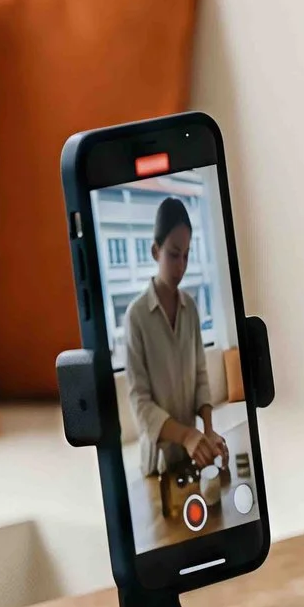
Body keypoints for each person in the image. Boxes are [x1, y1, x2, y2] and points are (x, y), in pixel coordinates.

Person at [123, 197, 225, 484]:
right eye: (173, 254)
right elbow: (140, 403)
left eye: (187, 255)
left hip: (191, 456)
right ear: (155, 251)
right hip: (158, 467)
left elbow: (201, 375)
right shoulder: (136, 317)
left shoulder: (190, 308)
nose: (181, 265)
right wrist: (187, 435)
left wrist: (207, 431)